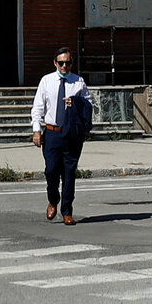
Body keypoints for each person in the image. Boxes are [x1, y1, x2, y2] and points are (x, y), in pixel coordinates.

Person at [30, 48, 93, 223]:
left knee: (69, 174)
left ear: (72, 63)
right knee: (51, 171)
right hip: (52, 132)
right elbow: (38, 107)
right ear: (55, 63)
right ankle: (53, 200)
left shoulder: (78, 82)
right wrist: (36, 130)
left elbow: (89, 105)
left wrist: (76, 102)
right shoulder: (47, 81)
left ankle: (67, 211)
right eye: (61, 63)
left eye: (68, 63)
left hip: (71, 134)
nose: (65, 66)